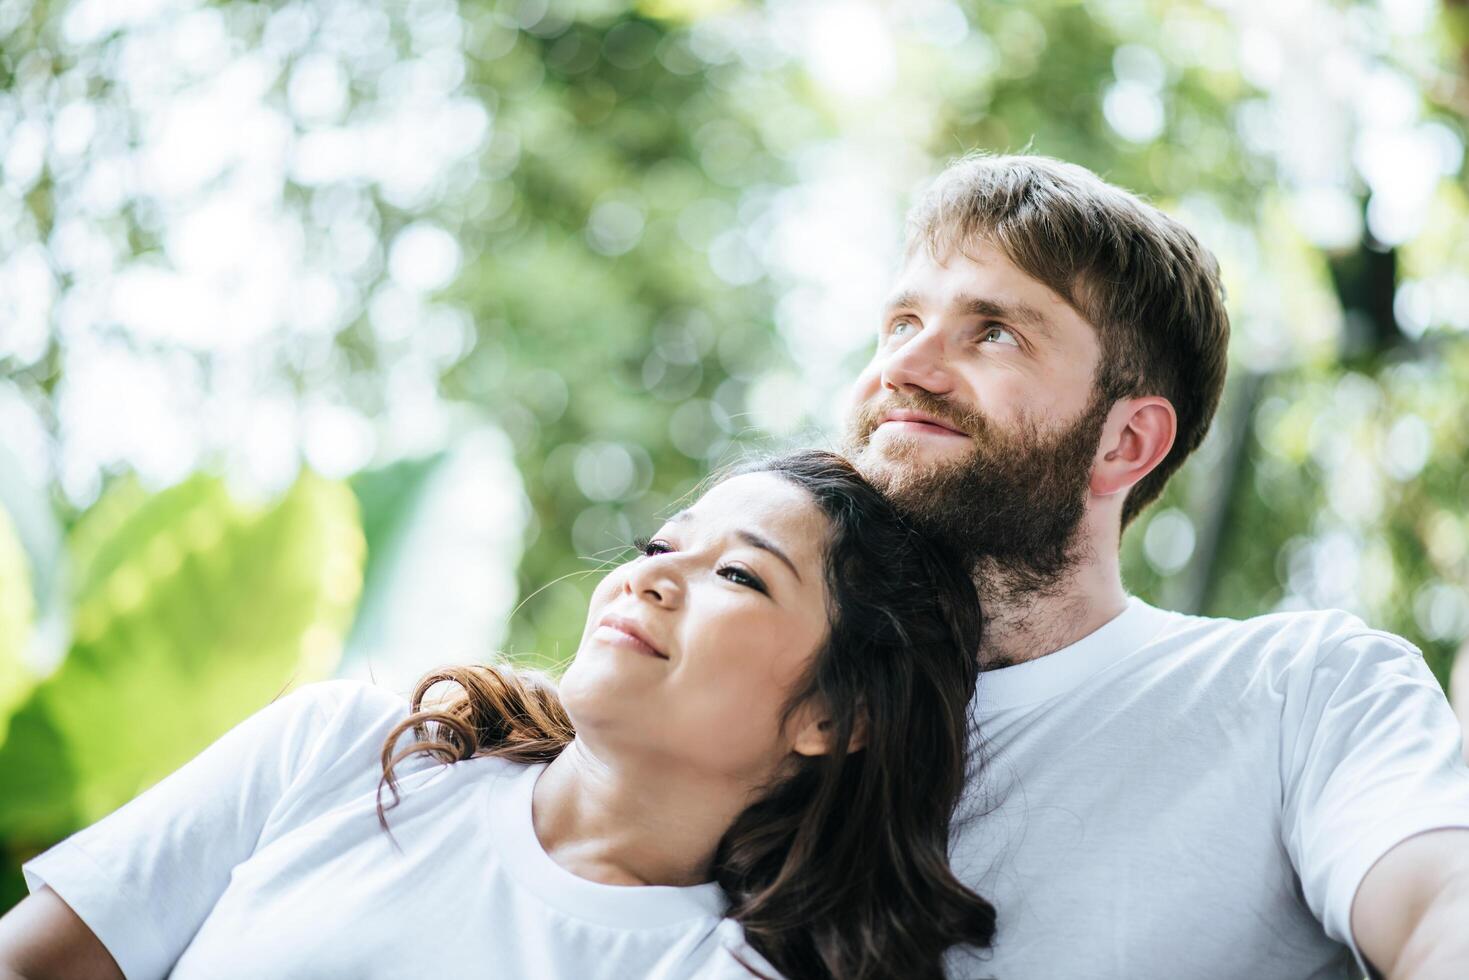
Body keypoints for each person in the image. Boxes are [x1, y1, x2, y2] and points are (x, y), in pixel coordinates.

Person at [0, 451, 997, 979]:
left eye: (738, 572)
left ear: (833, 715)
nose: (651, 575)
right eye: (661, 542)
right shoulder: (346, 747)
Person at [843, 152, 1469, 979]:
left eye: (992, 332)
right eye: (899, 325)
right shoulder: (762, 705)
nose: (903, 368)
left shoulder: (1305, 690)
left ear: (1125, 441)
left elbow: (1440, 914)